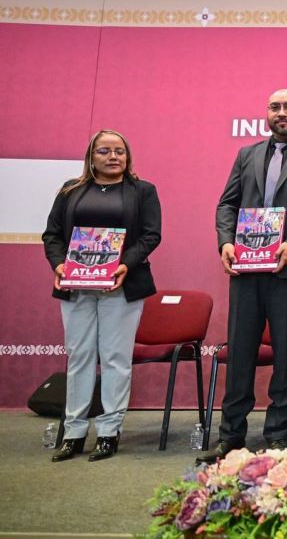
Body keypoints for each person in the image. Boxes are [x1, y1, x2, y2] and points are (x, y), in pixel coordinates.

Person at [199, 89, 287, 462]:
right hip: (245, 266)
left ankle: (277, 436)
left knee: (286, 353)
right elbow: (227, 203)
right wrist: (225, 242)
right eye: (275, 107)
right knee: (240, 349)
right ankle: (230, 437)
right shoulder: (247, 154)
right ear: (266, 113)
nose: (281, 112)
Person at [42, 129, 162, 462]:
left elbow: (151, 236)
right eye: (104, 151)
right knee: (79, 357)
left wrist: (123, 265)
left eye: (119, 151)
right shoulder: (70, 191)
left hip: (122, 286)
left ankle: (109, 431)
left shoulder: (143, 191)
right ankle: (75, 432)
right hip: (76, 286)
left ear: (128, 156)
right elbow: (51, 235)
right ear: (91, 156)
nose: (113, 157)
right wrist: (59, 264)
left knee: (115, 359)